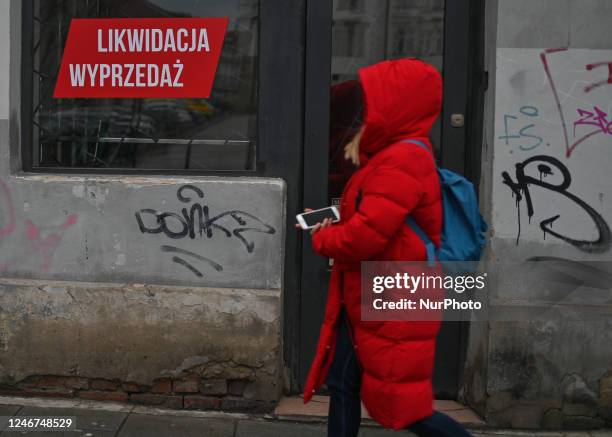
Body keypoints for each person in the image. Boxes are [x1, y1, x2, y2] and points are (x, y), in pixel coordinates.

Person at [297, 58, 473, 437]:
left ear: (397, 104)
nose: (365, 110)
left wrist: (322, 237)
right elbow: (375, 218)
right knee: (344, 385)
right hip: (371, 291)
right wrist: (333, 218)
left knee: (405, 408)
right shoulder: (393, 154)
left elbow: (366, 237)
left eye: (375, 100)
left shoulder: (402, 159)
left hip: (392, 294)